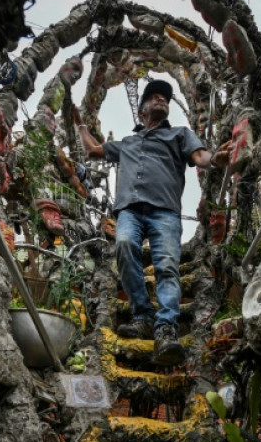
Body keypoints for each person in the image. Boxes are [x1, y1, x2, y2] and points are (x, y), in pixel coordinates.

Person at [73, 80, 230, 365]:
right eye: (154, 97)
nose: (161, 100)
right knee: (124, 245)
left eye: (164, 98)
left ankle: (166, 328)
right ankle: (143, 316)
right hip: (129, 210)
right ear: (142, 111)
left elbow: (200, 156)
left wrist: (216, 160)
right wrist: (81, 125)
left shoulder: (179, 134)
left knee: (167, 265)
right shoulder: (128, 142)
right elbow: (93, 150)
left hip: (164, 211)